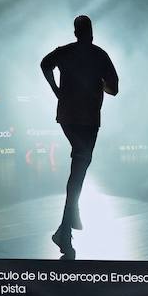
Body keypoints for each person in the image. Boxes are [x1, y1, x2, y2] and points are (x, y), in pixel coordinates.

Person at [40, 14, 119, 260]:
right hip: (89, 119)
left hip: (68, 117)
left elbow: (44, 64)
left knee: (79, 164)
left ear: (75, 32)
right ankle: (67, 222)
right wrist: (98, 84)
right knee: (81, 165)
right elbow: (114, 89)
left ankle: (66, 226)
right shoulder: (99, 55)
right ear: (91, 32)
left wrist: (57, 91)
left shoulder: (64, 52)